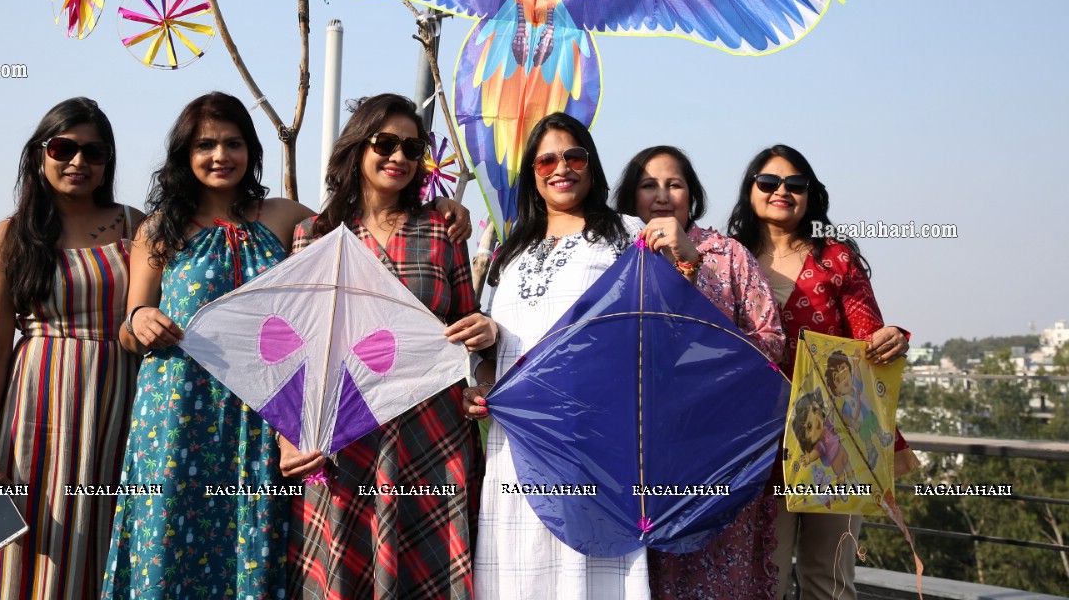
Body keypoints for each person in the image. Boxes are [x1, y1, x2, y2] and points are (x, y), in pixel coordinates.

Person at [101, 92, 318, 599]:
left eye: (232, 143)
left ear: (251, 151)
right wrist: (142, 319)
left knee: (252, 543)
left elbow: (362, 234)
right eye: (205, 145)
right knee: (168, 541)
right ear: (185, 155)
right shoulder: (160, 230)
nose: (220, 155)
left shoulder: (286, 216)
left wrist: (439, 207)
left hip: (262, 415)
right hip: (177, 414)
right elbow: (129, 331)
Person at [286, 93, 495, 600]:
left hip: (430, 430)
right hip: (344, 432)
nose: (399, 157)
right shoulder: (314, 235)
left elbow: (470, 324)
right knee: (343, 566)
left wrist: (484, 339)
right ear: (359, 148)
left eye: (412, 147)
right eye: (385, 143)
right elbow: (297, 349)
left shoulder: (443, 230)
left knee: (431, 571)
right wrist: (287, 432)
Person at [0, 97, 142, 599]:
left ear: (108, 161)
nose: (78, 162)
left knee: (112, 541)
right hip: (34, 414)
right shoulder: (9, 238)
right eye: (63, 147)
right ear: (40, 153)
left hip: (121, 411)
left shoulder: (137, 226)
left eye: (95, 151)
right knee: (26, 545)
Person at [468, 112, 649, 600]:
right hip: (515, 442)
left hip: (592, 437)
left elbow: (657, 327)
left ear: (591, 165)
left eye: (574, 156)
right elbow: (491, 356)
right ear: (532, 173)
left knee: (588, 567)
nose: (561, 167)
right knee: (518, 565)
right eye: (546, 159)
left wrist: (686, 259)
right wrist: (483, 378)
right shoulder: (510, 253)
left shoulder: (625, 235)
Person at [726, 144, 916, 600]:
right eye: (769, 183)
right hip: (757, 446)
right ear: (750, 190)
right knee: (761, 581)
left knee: (828, 581)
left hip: (834, 445)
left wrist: (891, 340)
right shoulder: (729, 260)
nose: (782, 192)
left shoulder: (836, 259)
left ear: (810, 195)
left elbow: (867, 339)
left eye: (796, 185)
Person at [613, 145, 785, 600]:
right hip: (640, 456)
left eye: (675, 184)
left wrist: (693, 263)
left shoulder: (727, 255)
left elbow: (770, 343)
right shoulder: (615, 258)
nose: (663, 195)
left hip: (719, 452)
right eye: (649, 185)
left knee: (719, 575)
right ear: (631, 196)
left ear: (692, 194)